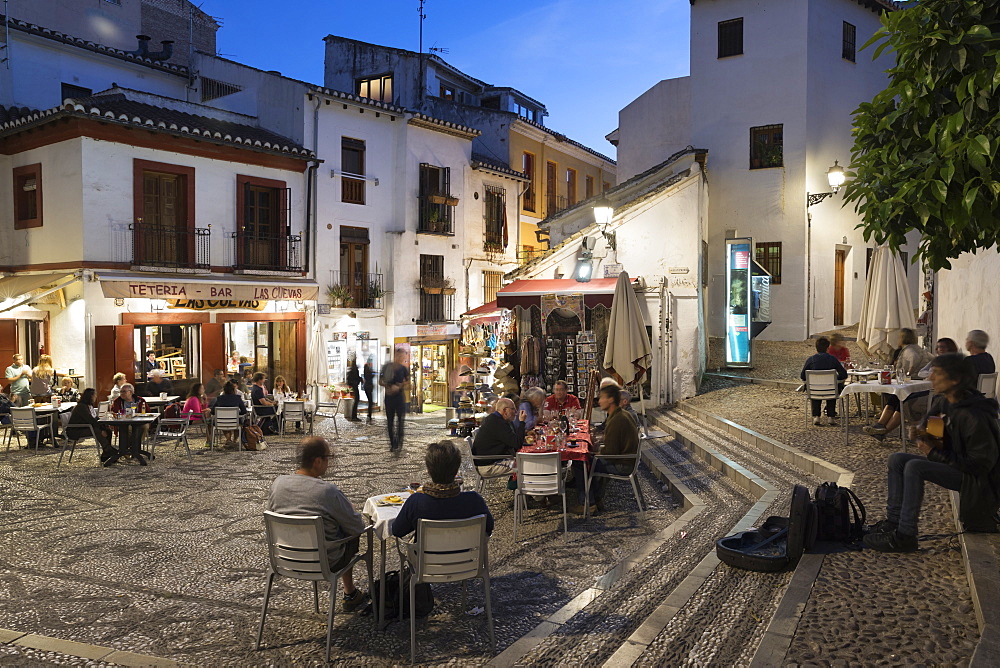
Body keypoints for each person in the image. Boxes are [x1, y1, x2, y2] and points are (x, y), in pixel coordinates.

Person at [864, 354, 1000, 552]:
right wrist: (922, 433)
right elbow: (935, 434)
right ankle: (893, 523)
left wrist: (933, 452)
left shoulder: (974, 414)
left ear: (955, 380)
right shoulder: (946, 402)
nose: (931, 378)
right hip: (957, 465)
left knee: (915, 466)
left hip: (978, 481)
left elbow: (980, 465)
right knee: (897, 459)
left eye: (937, 374)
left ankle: (905, 535)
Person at [267, 437, 369, 612]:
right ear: (317, 461)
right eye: (327, 458)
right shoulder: (327, 491)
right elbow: (357, 527)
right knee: (347, 533)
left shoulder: (278, 484)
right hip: (325, 561)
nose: (329, 463)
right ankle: (350, 593)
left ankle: (350, 593)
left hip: (283, 559)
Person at [392, 440, 494, 538]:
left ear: (428, 470)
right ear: (456, 470)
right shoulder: (474, 500)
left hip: (425, 555)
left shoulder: (416, 502)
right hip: (464, 554)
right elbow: (489, 526)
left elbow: (397, 531)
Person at [571, 384, 639, 514]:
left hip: (622, 464)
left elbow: (610, 453)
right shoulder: (619, 414)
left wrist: (595, 452)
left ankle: (588, 504)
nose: (599, 401)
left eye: (602, 398)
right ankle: (595, 498)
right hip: (626, 459)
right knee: (587, 458)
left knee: (580, 462)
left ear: (611, 400)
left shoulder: (617, 419)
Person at [863, 328, 932, 440]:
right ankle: (880, 425)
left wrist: (908, 372)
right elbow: (931, 359)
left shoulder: (909, 350)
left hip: (915, 388)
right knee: (895, 398)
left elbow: (913, 358)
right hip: (915, 386)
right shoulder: (919, 348)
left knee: (901, 401)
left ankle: (883, 430)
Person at [800, 337, 847, 426]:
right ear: (827, 348)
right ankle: (831, 416)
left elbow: (802, 376)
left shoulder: (811, 360)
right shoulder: (832, 359)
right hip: (831, 391)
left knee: (815, 387)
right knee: (833, 386)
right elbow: (844, 374)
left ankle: (816, 416)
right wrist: (836, 378)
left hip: (814, 391)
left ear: (816, 348)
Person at [66, 388, 117, 464]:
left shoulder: (89, 406)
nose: (96, 397)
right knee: (97, 431)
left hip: (85, 427)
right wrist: (101, 429)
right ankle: (109, 450)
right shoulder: (81, 407)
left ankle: (106, 454)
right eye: (94, 395)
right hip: (75, 430)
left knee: (107, 430)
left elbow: (96, 418)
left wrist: (104, 426)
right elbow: (91, 420)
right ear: (90, 396)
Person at [471, 397, 518, 477]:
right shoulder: (497, 422)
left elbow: (512, 440)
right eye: (513, 409)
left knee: (520, 462)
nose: (516, 412)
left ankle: (515, 487)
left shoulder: (495, 419)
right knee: (523, 465)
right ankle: (520, 488)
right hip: (487, 466)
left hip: (489, 461)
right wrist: (522, 422)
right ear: (505, 410)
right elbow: (516, 443)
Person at [110, 384, 150, 465]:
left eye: (124, 391)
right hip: (123, 422)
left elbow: (147, 412)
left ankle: (132, 449)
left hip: (139, 421)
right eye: (120, 392)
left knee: (144, 426)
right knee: (127, 429)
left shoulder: (140, 400)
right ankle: (130, 449)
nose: (121, 393)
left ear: (131, 392)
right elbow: (113, 412)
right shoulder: (117, 401)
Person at [379, 350, 409, 452]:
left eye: (403, 356)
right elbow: (380, 381)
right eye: (400, 356)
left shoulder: (404, 369)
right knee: (390, 422)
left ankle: (399, 443)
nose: (401, 358)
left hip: (400, 398)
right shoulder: (386, 367)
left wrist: (399, 386)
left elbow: (409, 383)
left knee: (400, 422)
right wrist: (388, 386)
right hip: (389, 398)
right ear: (395, 355)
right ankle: (393, 444)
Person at [212, 380, 247, 446]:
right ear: (234, 390)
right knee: (238, 422)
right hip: (235, 422)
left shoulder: (219, 399)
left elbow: (213, 411)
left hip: (221, 423)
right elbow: (244, 411)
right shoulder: (237, 398)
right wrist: (237, 413)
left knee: (223, 420)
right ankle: (234, 440)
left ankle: (228, 439)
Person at [346, 358, 362, 422]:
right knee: (357, 400)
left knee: (356, 400)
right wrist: (359, 379)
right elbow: (356, 378)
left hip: (354, 386)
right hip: (355, 386)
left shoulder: (353, 370)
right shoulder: (355, 370)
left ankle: (354, 416)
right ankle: (354, 416)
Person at [362, 357, 376, 424]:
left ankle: (369, 416)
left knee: (370, 402)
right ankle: (369, 416)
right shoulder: (367, 369)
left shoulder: (366, 369)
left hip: (367, 387)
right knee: (370, 402)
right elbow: (371, 375)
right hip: (368, 387)